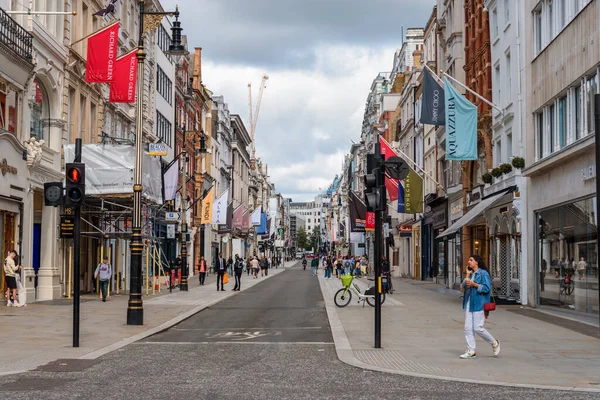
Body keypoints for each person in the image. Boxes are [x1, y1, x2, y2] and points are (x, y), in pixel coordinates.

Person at [460, 254, 500, 359]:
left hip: (479, 304)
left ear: (477, 262)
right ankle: (471, 351)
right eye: (468, 260)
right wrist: (467, 275)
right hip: (469, 303)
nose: (469, 262)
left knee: (478, 328)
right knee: (467, 328)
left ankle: (494, 342)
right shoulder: (471, 273)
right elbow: (463, 286)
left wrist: (475, 285)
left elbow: (487, 288)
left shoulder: (483, 273)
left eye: (471, 260)